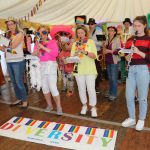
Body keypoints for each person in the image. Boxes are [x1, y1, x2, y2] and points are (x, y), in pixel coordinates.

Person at [122, 16, 150, 131]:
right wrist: (127, 56)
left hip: (143, 69)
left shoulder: (148, 39)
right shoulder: (130, 39)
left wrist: (138, 51)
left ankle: (141, 119)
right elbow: (125, 53)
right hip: (131, 68)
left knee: (142, 97)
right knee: (129, 96)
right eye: (135, 26)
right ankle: (132, 117)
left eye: (139, 25)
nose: (137, 28)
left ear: (144, 25)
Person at [33, 25, 62, 115]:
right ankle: (49, 105)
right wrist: (37, 49)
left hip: (51, 66)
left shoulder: (52, 42)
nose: (42, 34)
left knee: (53, 88)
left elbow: (55, 54)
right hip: (42, 66)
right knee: (45, 88)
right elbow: (35, 54)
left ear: (47, 33)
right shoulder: (37, 43)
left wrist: (43, 47)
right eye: (40, 33)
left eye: (44, 32)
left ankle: (58, 106)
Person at [0, 17, 28, 108]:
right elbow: (5, 49)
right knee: (14, 82)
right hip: (9, 60)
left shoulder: (20, 34)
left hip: (18, 61)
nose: (10, 26)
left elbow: (12, 46)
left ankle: (25, 101)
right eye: (8, 24)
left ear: (16, 24)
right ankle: (19, 98)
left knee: (19, 82)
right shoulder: (7, 35)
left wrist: (2, 40)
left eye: (12, 24)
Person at [71, 25, 98, 117]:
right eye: (78, 33)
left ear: (85, 33)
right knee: (81, 89)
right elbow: (72, 58)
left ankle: (93, 107)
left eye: (82, 32)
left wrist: (85, 52)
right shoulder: (75, 44)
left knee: (91, 89)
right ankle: (84, 105)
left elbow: (94, 56)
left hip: (90, 69)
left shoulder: (90, 42)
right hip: (78, 69)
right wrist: (76, 53)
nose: (80, 34)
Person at [103, 26, 121, 101]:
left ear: (114, 32)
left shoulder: (117, 39)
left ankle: (113, 94)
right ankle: (110, 92)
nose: (110, 31)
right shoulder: (107, 40)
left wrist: (109, 51)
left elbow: (119, 51)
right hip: (108, 61)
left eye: (112, 30)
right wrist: (103, 47)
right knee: (110, 78)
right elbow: (104, 50)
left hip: (114, 61)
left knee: (114, 79)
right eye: (109, 30)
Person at [88, 18, 103, 93]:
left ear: (95, 24)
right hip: (88, 53)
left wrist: (91, 42)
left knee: (97, 69)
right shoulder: (87, 32)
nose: (91, 25)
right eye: (89, 24)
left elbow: (101, 43)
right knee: (90, 69)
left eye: (92, 24)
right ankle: (90, 86)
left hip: (97, 52)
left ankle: (96, 86)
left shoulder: (99, 31)